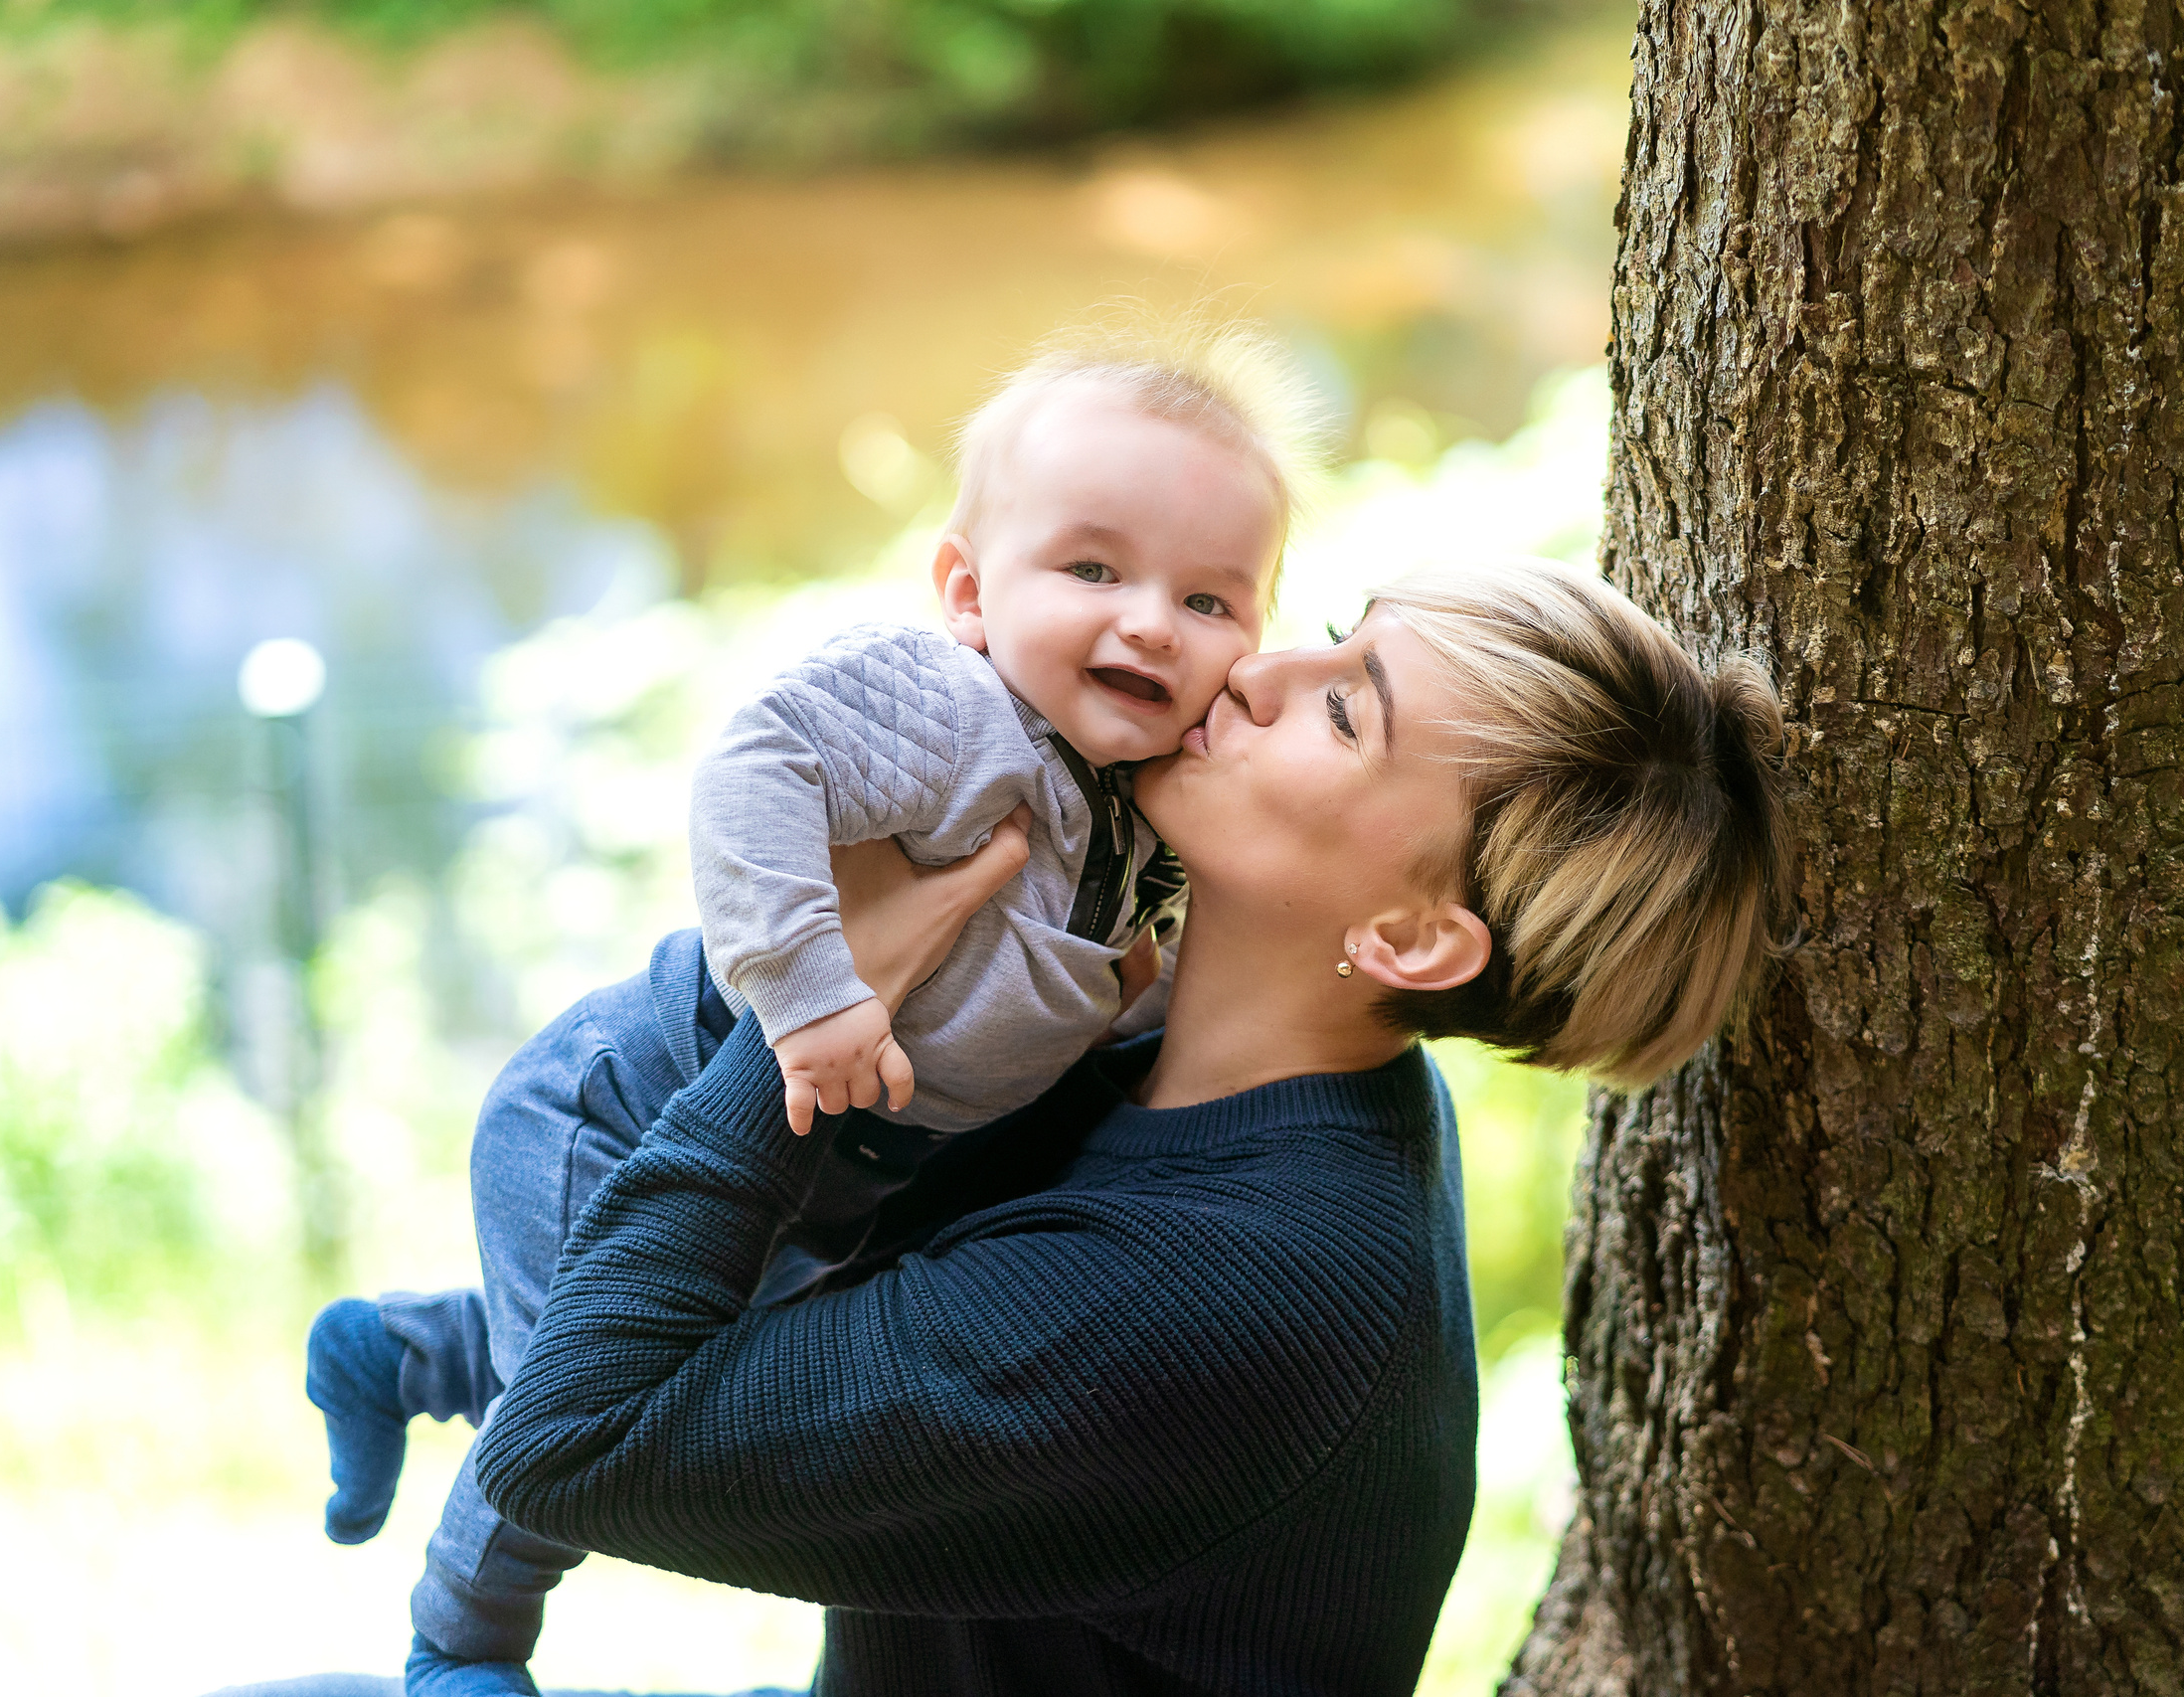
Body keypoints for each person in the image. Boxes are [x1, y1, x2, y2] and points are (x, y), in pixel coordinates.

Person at [223, 558, 1791, 1697]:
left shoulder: (1232, 1290)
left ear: (1412, 940)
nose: (1254, 671)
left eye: (1344, 716)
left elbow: (579, 1451)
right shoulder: (1214, 1049)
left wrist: (823, 1005)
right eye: (1328, 640)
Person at [302, 316, 1328, 1695]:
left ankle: (399, 1352)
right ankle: (460, 1643)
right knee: (581, 1404)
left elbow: (1082, 969)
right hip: (633, 1111)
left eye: (1210, 602)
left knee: (671, 1365)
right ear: (968, 588)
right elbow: (757, 765)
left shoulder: (1141, 805)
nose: (1150, 619)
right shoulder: (950, 710)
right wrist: (812, 994)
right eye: (1093, 567)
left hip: (823, 1174)